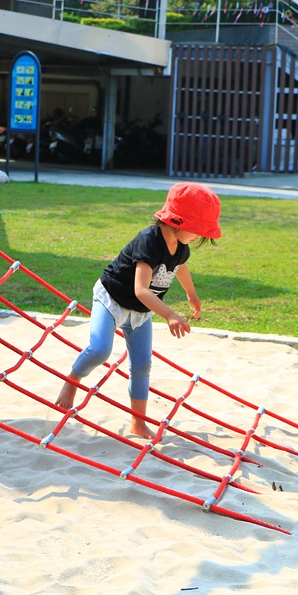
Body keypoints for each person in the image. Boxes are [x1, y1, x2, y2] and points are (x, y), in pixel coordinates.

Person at [54, 183, 222, 439]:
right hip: (112, 299)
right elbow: (141, 289)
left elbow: (181, 267)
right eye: (197, 230)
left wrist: (192, 294)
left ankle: (138, 422)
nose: (198, 237)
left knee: (142, 365)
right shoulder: (148, 241)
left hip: (141, 311)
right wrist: (170, 314)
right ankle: (72, 381)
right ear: (177, 221)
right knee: (100, 350)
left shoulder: (181, 246)